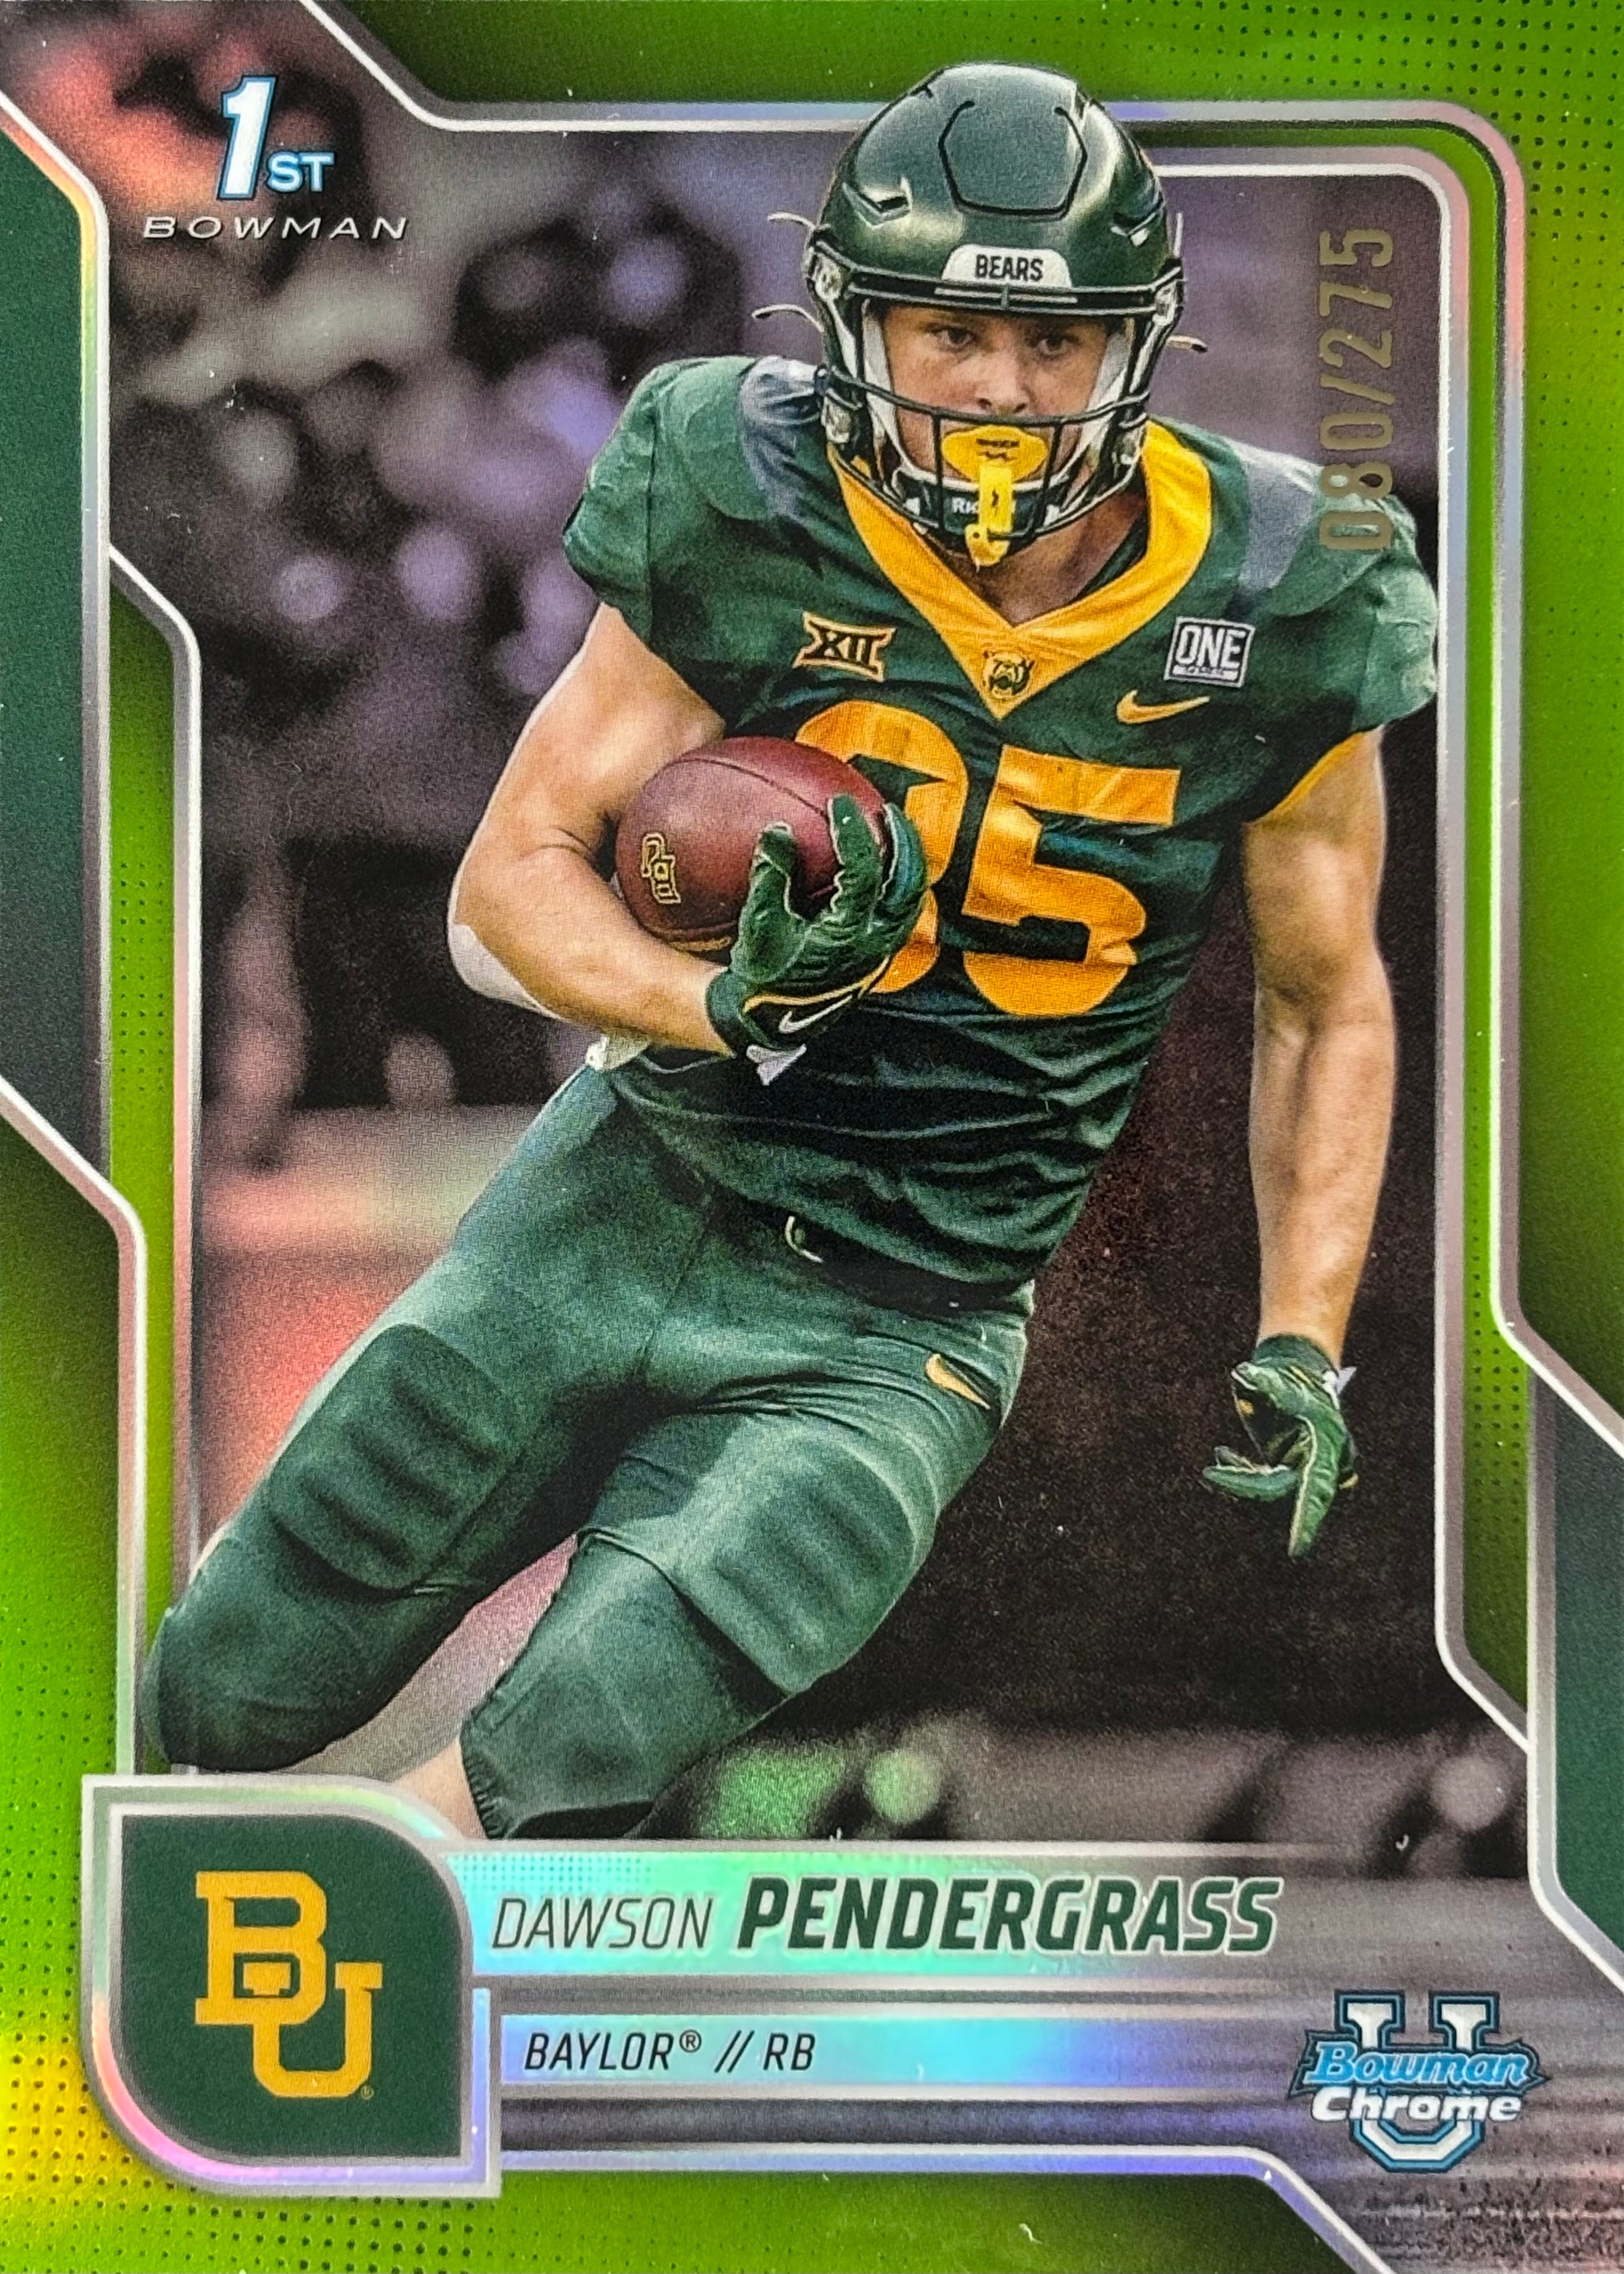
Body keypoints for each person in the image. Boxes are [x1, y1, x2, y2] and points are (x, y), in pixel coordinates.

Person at [141, 63, 1437, 1841]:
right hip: (624, 1199)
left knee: (612, 1699)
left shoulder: (1286, 588)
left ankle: (373, 1884)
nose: (999, 388)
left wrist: (1302, 1331)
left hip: (904, 1305)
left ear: (1136, 346)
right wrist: (709, 1001)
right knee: (224, 1676)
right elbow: (507, 883)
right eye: (948, 332)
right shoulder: (748, 486)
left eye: (1051, 341)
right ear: (852, 324)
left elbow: (1325, 999)